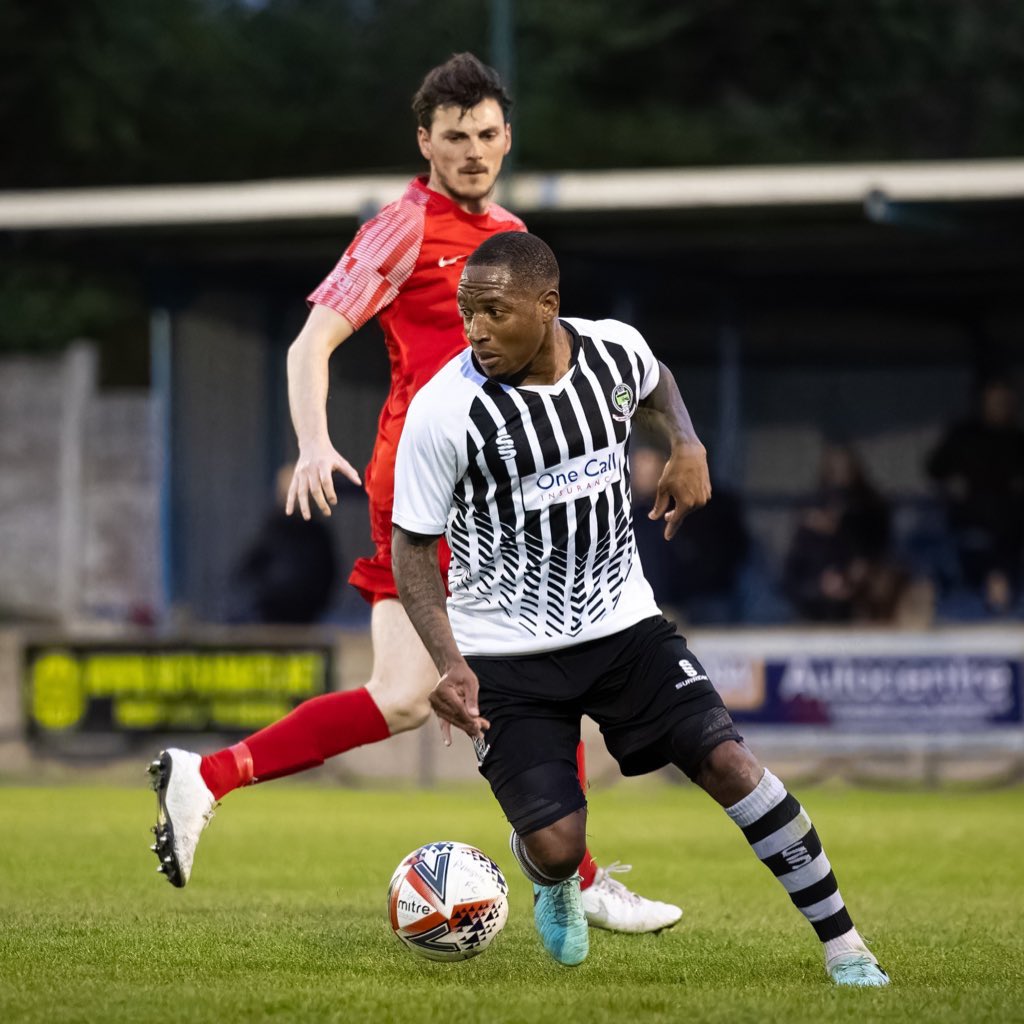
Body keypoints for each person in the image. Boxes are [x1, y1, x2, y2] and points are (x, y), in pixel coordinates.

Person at [147, 53, 679, 933]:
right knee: (542, 667)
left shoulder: (508, 233)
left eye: (486, 134)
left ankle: (207, 776)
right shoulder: (401, 228)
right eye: (454, 136)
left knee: (407, 693)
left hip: (496, 493)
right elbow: (309, 345)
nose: (472, 150)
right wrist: (314, 443)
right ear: (424, 141)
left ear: (506, 138)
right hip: (426, 494)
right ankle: (575, 881)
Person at [391, 231, 888, 985]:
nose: (476, 332)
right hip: (504, 654)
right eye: (467, 315)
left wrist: (686, 442)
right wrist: (449, 662)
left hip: (626, 629)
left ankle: (845, 946)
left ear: (548, 306)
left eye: (493, 312)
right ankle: (554, 884)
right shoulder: (446, 411)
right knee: (558, 845)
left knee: (729, 762)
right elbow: (411, 550)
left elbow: (656, 383)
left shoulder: (613, 350)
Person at [926, 379, 1024, 615]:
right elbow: (935, 469)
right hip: (970, 521)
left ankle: (1002, 595)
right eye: (994, 402)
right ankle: (986, 596)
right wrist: (954, 485)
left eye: (1004, 402)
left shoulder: (1018, 440)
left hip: (1012, 526)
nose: (999, 407)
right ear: (983, 404)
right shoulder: (965, 436)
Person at [784, 443, 905, 623]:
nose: (835, 512)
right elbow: (792, 578)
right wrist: (820, 585)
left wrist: (861, 573)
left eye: (847, 471)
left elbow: (878, 555)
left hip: (866, 611)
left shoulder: (869, 514)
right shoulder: (810, 529)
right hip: (816, 616)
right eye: (834, 472)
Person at [227, 464, 339, 624]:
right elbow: (248, 568)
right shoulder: (272, 529)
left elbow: (328, 572)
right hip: (270, 615)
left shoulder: (317, 534)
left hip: (307, 615)